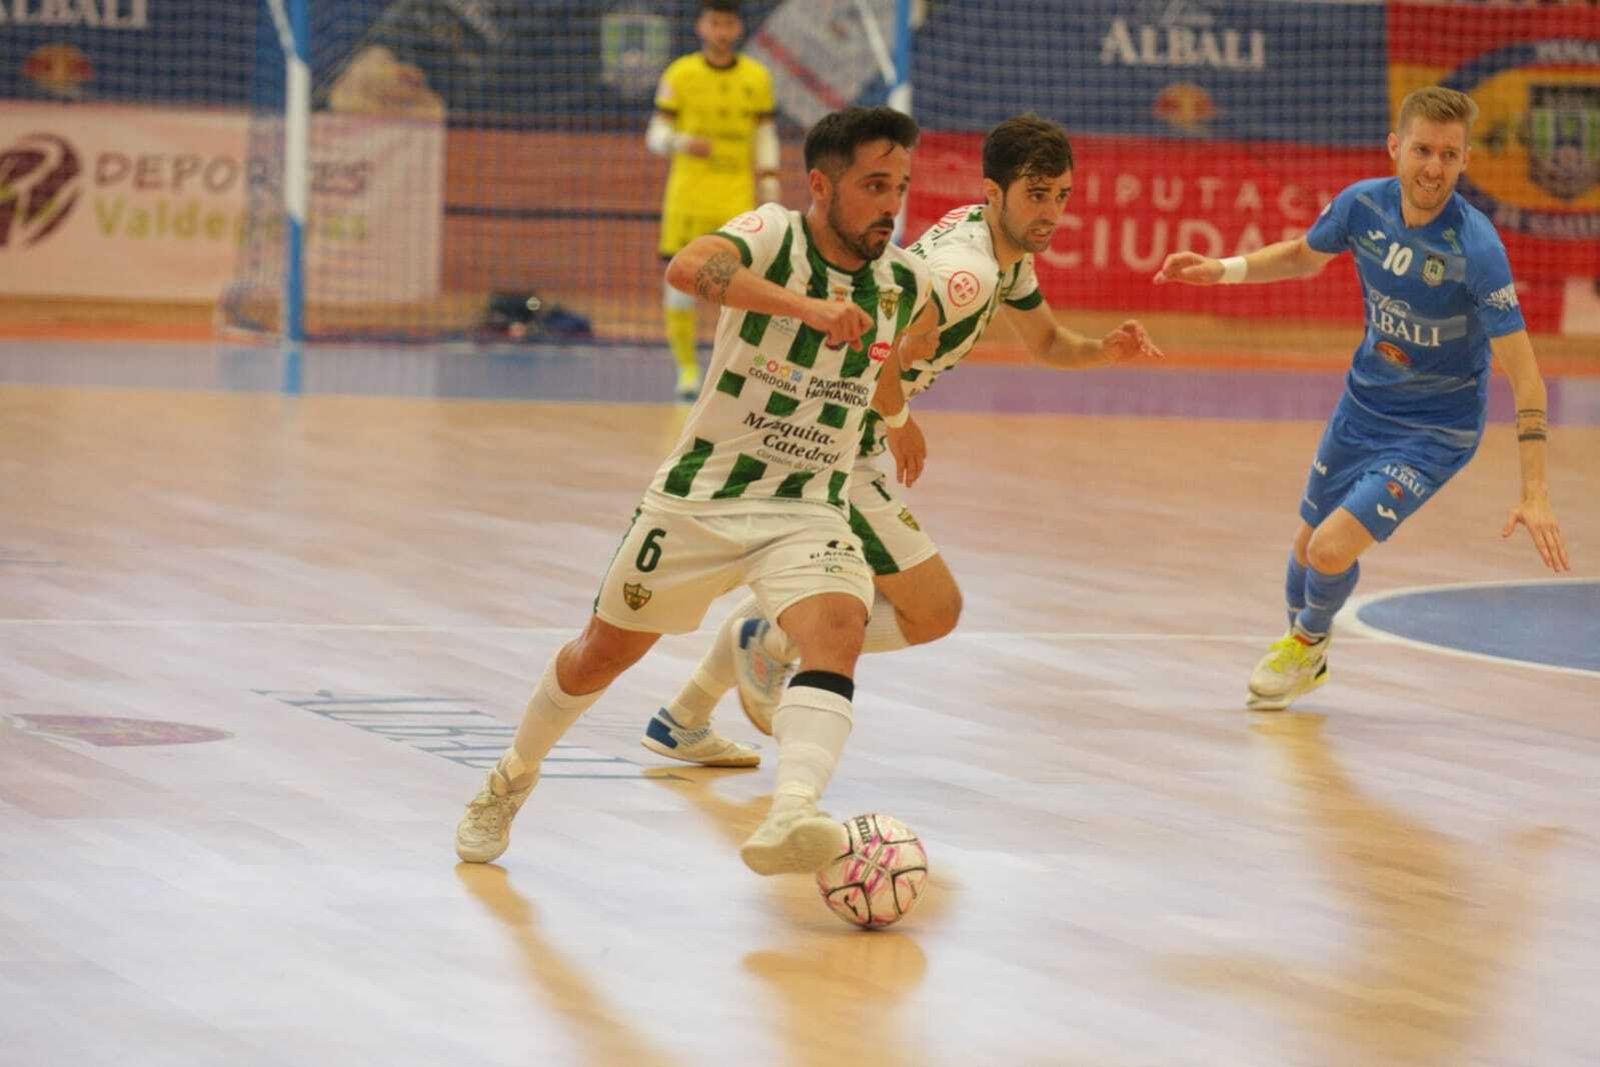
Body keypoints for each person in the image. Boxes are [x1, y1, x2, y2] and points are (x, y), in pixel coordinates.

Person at [456, 106, 938, 877]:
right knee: (598, 655)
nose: (892, 203)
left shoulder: (902, 281)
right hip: (701, 494)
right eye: (875, 184)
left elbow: (877, 352)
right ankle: (509, 777)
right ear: (822, 185)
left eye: (902, 187)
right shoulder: (775, 234)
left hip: (806, 503)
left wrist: (899, 412)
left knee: (839, 625)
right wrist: (810, 309)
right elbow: (687, 268)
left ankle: (792, 815)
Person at [638, 112, 1164, 768]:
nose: (1052, 212)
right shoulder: (967, 274)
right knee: (933, 609)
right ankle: (771, 642)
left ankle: (685, 715)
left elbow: (1050, 343)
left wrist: (1103, 352)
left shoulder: (1008, 256)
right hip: (838, 440)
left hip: (850, 433)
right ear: (994, 193)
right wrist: (896, 420)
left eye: (1062, 196)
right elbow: (880, 327)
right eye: (1037, 195)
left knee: (821, 577)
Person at [1152, 85, 1569, 712]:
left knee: (1327, 548)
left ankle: (1307, 641)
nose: (1434, 167)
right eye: (1423, 150)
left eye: (1449, 155)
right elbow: (1300, 257)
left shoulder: (1477, 249)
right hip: (1363, 408)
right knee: (1303, 547)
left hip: (1435, 432)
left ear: (1466, 161)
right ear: (1395, 148)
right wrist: (1224, 269)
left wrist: (1534, 492)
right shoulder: (1361, 207)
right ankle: (1306, 646)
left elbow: (1527, 376)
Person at [647, 0, 780, 401]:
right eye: (714, 23)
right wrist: (681, 142)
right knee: (679, 283)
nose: (721, 31)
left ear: (737, 29)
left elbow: (765, 137)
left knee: (741, 287)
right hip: (687, 196)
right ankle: (686, 369)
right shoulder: (681, 74)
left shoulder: (757, 77)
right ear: (702, 28)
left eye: (728, 24)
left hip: (735, 197)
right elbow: (654, 136)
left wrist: (770, 188)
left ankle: (733, 371)